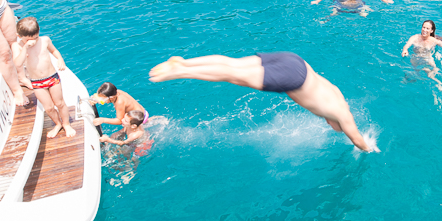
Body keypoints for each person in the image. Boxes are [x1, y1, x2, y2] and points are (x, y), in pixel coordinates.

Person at [148, 53, 378, 152]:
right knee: (232, 76)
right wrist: (370, 149)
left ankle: (184, 62)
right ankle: (178, 72)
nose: (330, 127)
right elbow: (357, 139)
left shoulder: (337, 95)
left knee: (234, 64)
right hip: (294, 78)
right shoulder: (341, 115)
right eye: (334, 127)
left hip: (296, 62)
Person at [13, 17, 75, 139]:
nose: (33, 42)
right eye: (28, 40)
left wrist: (60, 59)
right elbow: (18, 63)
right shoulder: (18, 46)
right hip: (37, 82)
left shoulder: (45, 40)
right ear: (19, 36)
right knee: (49, 107)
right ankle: (58, 124)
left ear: (39, 31)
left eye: (35, 37)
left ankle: (66, 124)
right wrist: (25, 47)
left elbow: (54, 50)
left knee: (60, 103)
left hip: (52, 78)